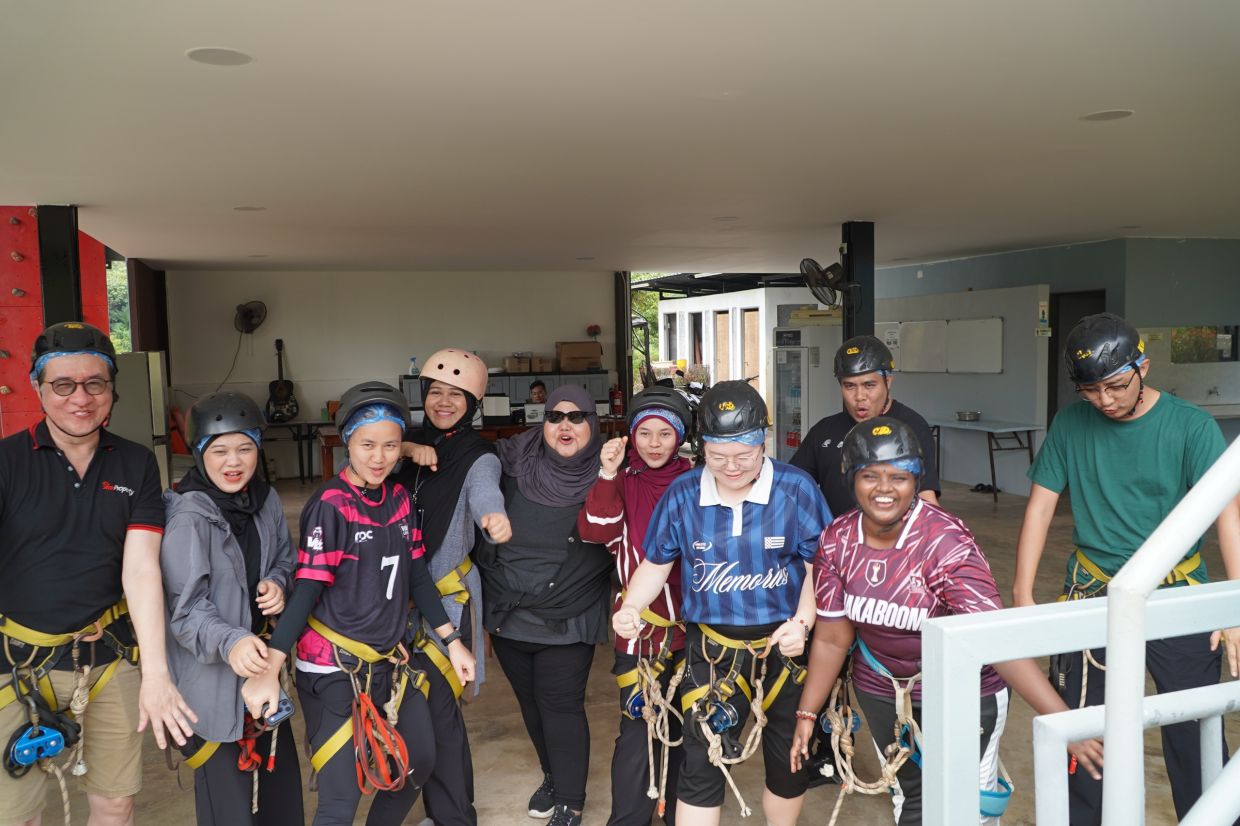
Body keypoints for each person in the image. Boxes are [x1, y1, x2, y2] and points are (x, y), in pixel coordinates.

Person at [790, 417, 1103, 825]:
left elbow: (990, 640)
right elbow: (832, 639)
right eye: (870, 476)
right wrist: (807, 714)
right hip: (882, 691)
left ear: (917, 479)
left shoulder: (944, 542)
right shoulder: (837, 540)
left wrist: (1063, 723)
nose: (884, 489)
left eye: (899, 477)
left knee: (966, 805)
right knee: (911, 795)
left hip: (963, 693)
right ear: (851, 477)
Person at [1012, 313, 1240, 824]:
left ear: (1144, 367)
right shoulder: (1072, 423)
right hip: (1093, 591)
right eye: (1090, 391)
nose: (1105, 401)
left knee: (1193, 732)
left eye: (1116, 386)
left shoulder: (1190, 427)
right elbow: (1041, 506)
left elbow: (1228, 514)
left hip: (1176, 595)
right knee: (1087, 735)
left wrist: (1233, 608)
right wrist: (1023, 595)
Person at [242, 381, 475, 826]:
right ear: (346, 440)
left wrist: (454, 641)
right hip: (333, 667)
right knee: (340, 795)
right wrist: (271, 668)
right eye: (367, 444)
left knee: (418, 762)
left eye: (390, 445)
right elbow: (307, 589)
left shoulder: (401, 499)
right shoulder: (331, 505)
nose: (379, 456)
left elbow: (419, 577)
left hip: (388, 661)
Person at [0, 322, 196, 826]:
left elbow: (140, 569)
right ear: (38, 387)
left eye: (95, 383)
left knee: (116, 802)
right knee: (15, 813)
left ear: (112, 390)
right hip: (16, 664)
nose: (80, 398)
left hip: (109, 659)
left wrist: (156, 674)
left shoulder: (134, 464)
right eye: (63, 384)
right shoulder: (6, 462)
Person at [614, 380, 832, 826]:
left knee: (788, 759)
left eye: (744, 456)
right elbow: (656, 563)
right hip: (711, 652)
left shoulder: (797, 489)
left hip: (783, 648)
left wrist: (804, 622)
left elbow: (820, 568)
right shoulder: (683, 493)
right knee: (702, 762)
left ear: (764, 443)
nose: (731, 468)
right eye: (717, 457)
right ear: (700, 449)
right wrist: (632, 606)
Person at [162, 391, 302, 825]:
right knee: (231, 809)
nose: (234, 462)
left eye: (245, 448)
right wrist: (233, 638)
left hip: (262, 672)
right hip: (215, 683)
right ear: (199, 454)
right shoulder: (188, 516)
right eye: (219, 450)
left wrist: (278, 582)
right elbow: (184, 611)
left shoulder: (266, 500)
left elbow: (285, 557)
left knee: (281, 800)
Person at [477, 384, 611, 826]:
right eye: (555, 417)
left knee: (559, 704)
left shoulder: (609, 474)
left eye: (577, 417)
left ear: (592, 423)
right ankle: (553, 776)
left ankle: (570, 801)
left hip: (568, 612)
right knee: (531, 705)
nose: (565, 426)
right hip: (511, 611)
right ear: (543, 422)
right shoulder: (512, 463)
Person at [394, 348, 512, 826]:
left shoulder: (478, 455)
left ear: (474, 402)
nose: (444, 402)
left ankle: (454, 816)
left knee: (436, 710)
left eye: (456, 395)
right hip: (396, 597)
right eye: (436, 392)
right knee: (415, 710)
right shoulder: (402, 442)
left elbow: (487, 491)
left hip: (445, 598)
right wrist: (404, 448)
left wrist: (493, 517)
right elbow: (361, 452)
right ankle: (449, 811)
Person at [578, 386, 695, 826]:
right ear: (630, 436)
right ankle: (628, 818)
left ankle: (678, 815)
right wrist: (607, 473)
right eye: (644, 433)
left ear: (680, 436)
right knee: (636, 727)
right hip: (639, 628)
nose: (653, 443)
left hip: (694, 626)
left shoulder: (698, 480)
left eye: (664, 434)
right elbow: (595, 531)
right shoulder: (624, 479)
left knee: (688, 726)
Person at [791, 335, 940, 515]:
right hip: (835, 540)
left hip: (893, 540)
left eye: (869, 385)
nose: (859, 396)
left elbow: (927, 499)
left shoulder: (912, 428)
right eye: (849, 386)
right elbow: (791, 486)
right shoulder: (824, 431)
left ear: (888, 381)